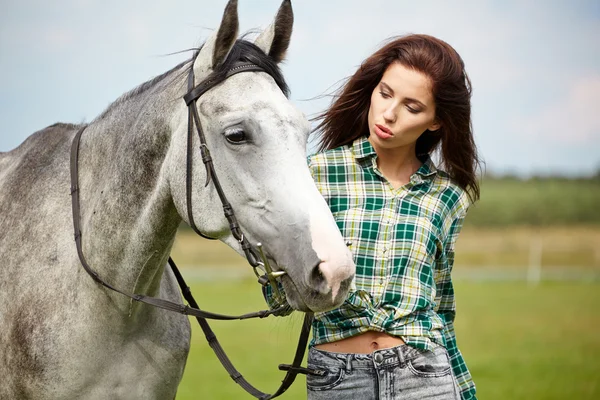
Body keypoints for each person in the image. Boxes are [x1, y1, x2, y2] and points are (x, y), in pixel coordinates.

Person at [265, 33, 479, 400]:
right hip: (338, 377)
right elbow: (281, 293)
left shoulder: (449, 195)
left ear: (435, 122)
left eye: (412, 107)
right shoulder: (316, 174)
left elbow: (441, 305)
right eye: (385, 93)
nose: (389, 113)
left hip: (424, 372)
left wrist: (464, 387)